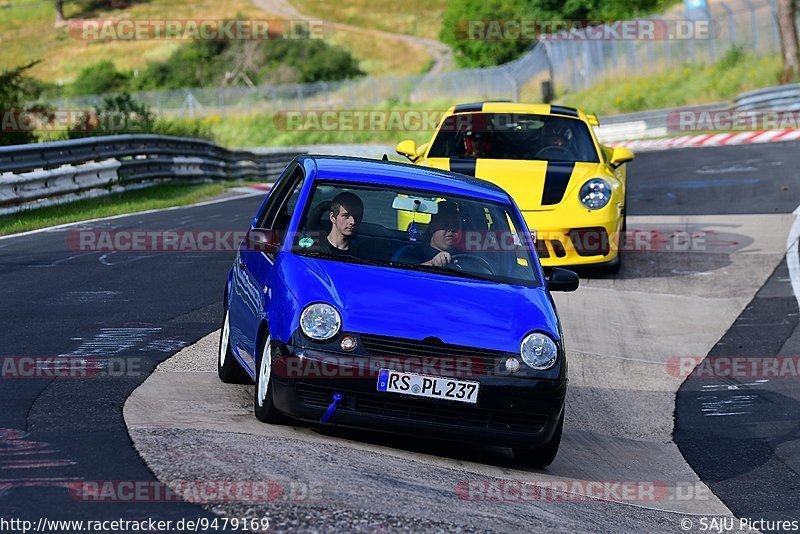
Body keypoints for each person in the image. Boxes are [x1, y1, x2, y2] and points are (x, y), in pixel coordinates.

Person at [396, 202, 462, 267]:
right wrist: (432, 263)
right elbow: (401, 274)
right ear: (432, 227)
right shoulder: (411, 252)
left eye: (456, 225)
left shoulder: (467, 255)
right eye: (445, 225)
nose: (452, 229)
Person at [318, 192, 364, 256]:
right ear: (332, 217)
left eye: (357, 216)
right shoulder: (311, 246)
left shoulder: (360, 256)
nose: (353, 222)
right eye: (346, 215)